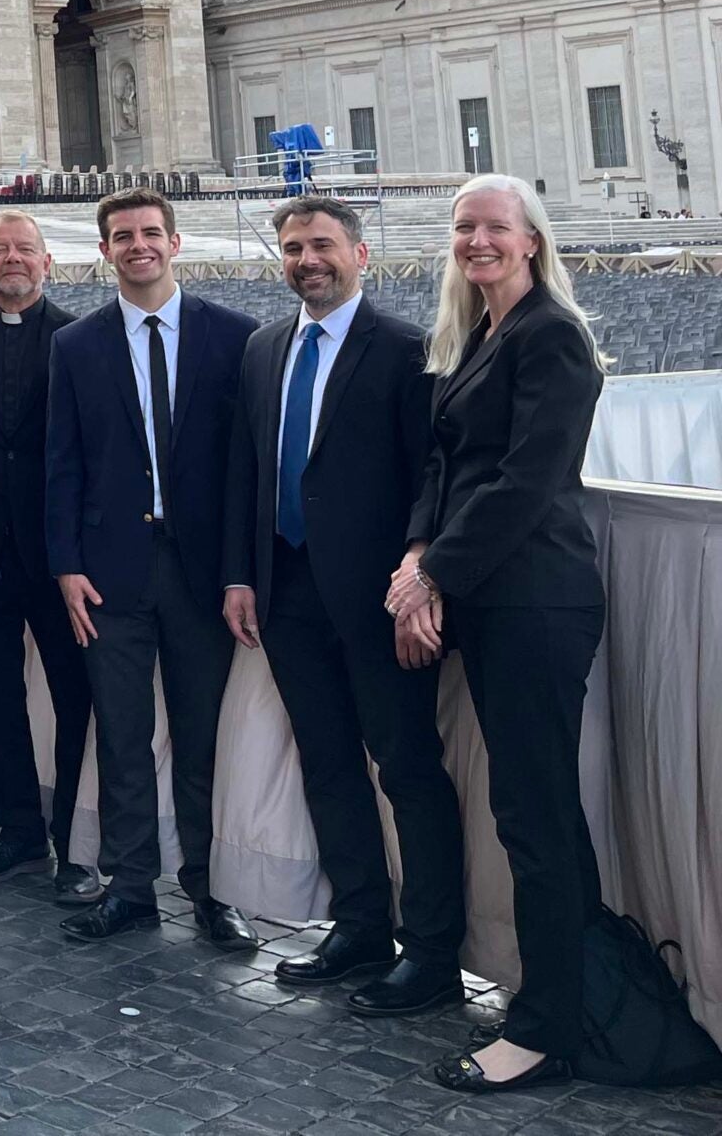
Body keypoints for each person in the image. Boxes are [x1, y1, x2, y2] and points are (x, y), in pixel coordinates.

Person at [390, 177, 607, 1094]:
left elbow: (526, 482)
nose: (476, 240)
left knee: (537, 814)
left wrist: (431, 575)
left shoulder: (551, 333)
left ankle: (550, 1028)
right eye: (464, 227)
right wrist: (418, 557)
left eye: (494, 227)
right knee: (524, 809)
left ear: (531, 239)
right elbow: (448, 461)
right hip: (489, 593)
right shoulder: (481, 332)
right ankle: (562, 1004)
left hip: (537, 599)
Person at [222, 195, 460, 1016]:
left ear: (359, 253)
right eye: (292, 247)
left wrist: (416, 580)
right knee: (327, 765)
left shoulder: (406, 349)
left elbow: (434, 473)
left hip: (378, 601)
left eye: (322, 244)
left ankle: (432, 953)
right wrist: (239, 576)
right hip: (285, 595)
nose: (306, 259)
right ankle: (361, 924)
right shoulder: (261, 350)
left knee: (408, 769)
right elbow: (248, 474)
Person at [46, 189, 259, 949]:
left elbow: (247, 470)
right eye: (122, 236)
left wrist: (242, 572)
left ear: (175, 239)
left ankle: (210, 889)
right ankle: (130, 885)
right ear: (104, 250)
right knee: (123, 736)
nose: (138, 245)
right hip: (109, 575)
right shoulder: (75, 346)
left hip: (204, 576)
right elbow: (61, 464)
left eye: (149, 233)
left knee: (202, 738)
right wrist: (66, 565)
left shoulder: (234, 336)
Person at [0, 213, 97, 901]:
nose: (13, 259)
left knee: (76, 696)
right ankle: (21, 830)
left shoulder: (83, 341)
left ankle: (76, 841)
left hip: (60, 553)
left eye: (24, 249)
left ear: (48, 261)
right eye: (0, 249)